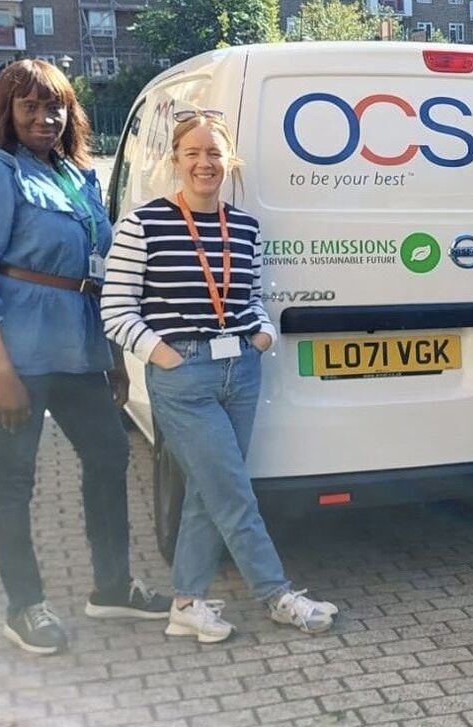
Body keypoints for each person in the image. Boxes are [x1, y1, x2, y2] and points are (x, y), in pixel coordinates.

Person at [0, 59, 170, 656]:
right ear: (5, 112)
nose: (45, 117)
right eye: (30, 107)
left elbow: (99, 272)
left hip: (77, 348)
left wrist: (114, 357)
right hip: (11, 353)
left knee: (109, 454)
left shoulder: (75, 175)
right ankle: (25, 606)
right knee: (14, 478)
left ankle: (113, 586)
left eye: (55, 106)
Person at [101, 111, 336, 642]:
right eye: (193, 153)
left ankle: (185, 604)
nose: (205, 163)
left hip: (241, 370)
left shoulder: (245, 226)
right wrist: (163, 355)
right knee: (232, 492)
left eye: (214, 153)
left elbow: (250, 296)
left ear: (230, 162)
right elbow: (116, 308)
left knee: (210, 491)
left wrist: (263, 335)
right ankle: (276, 595)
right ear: (176, 160)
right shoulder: (144, 223)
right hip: (183, 377)